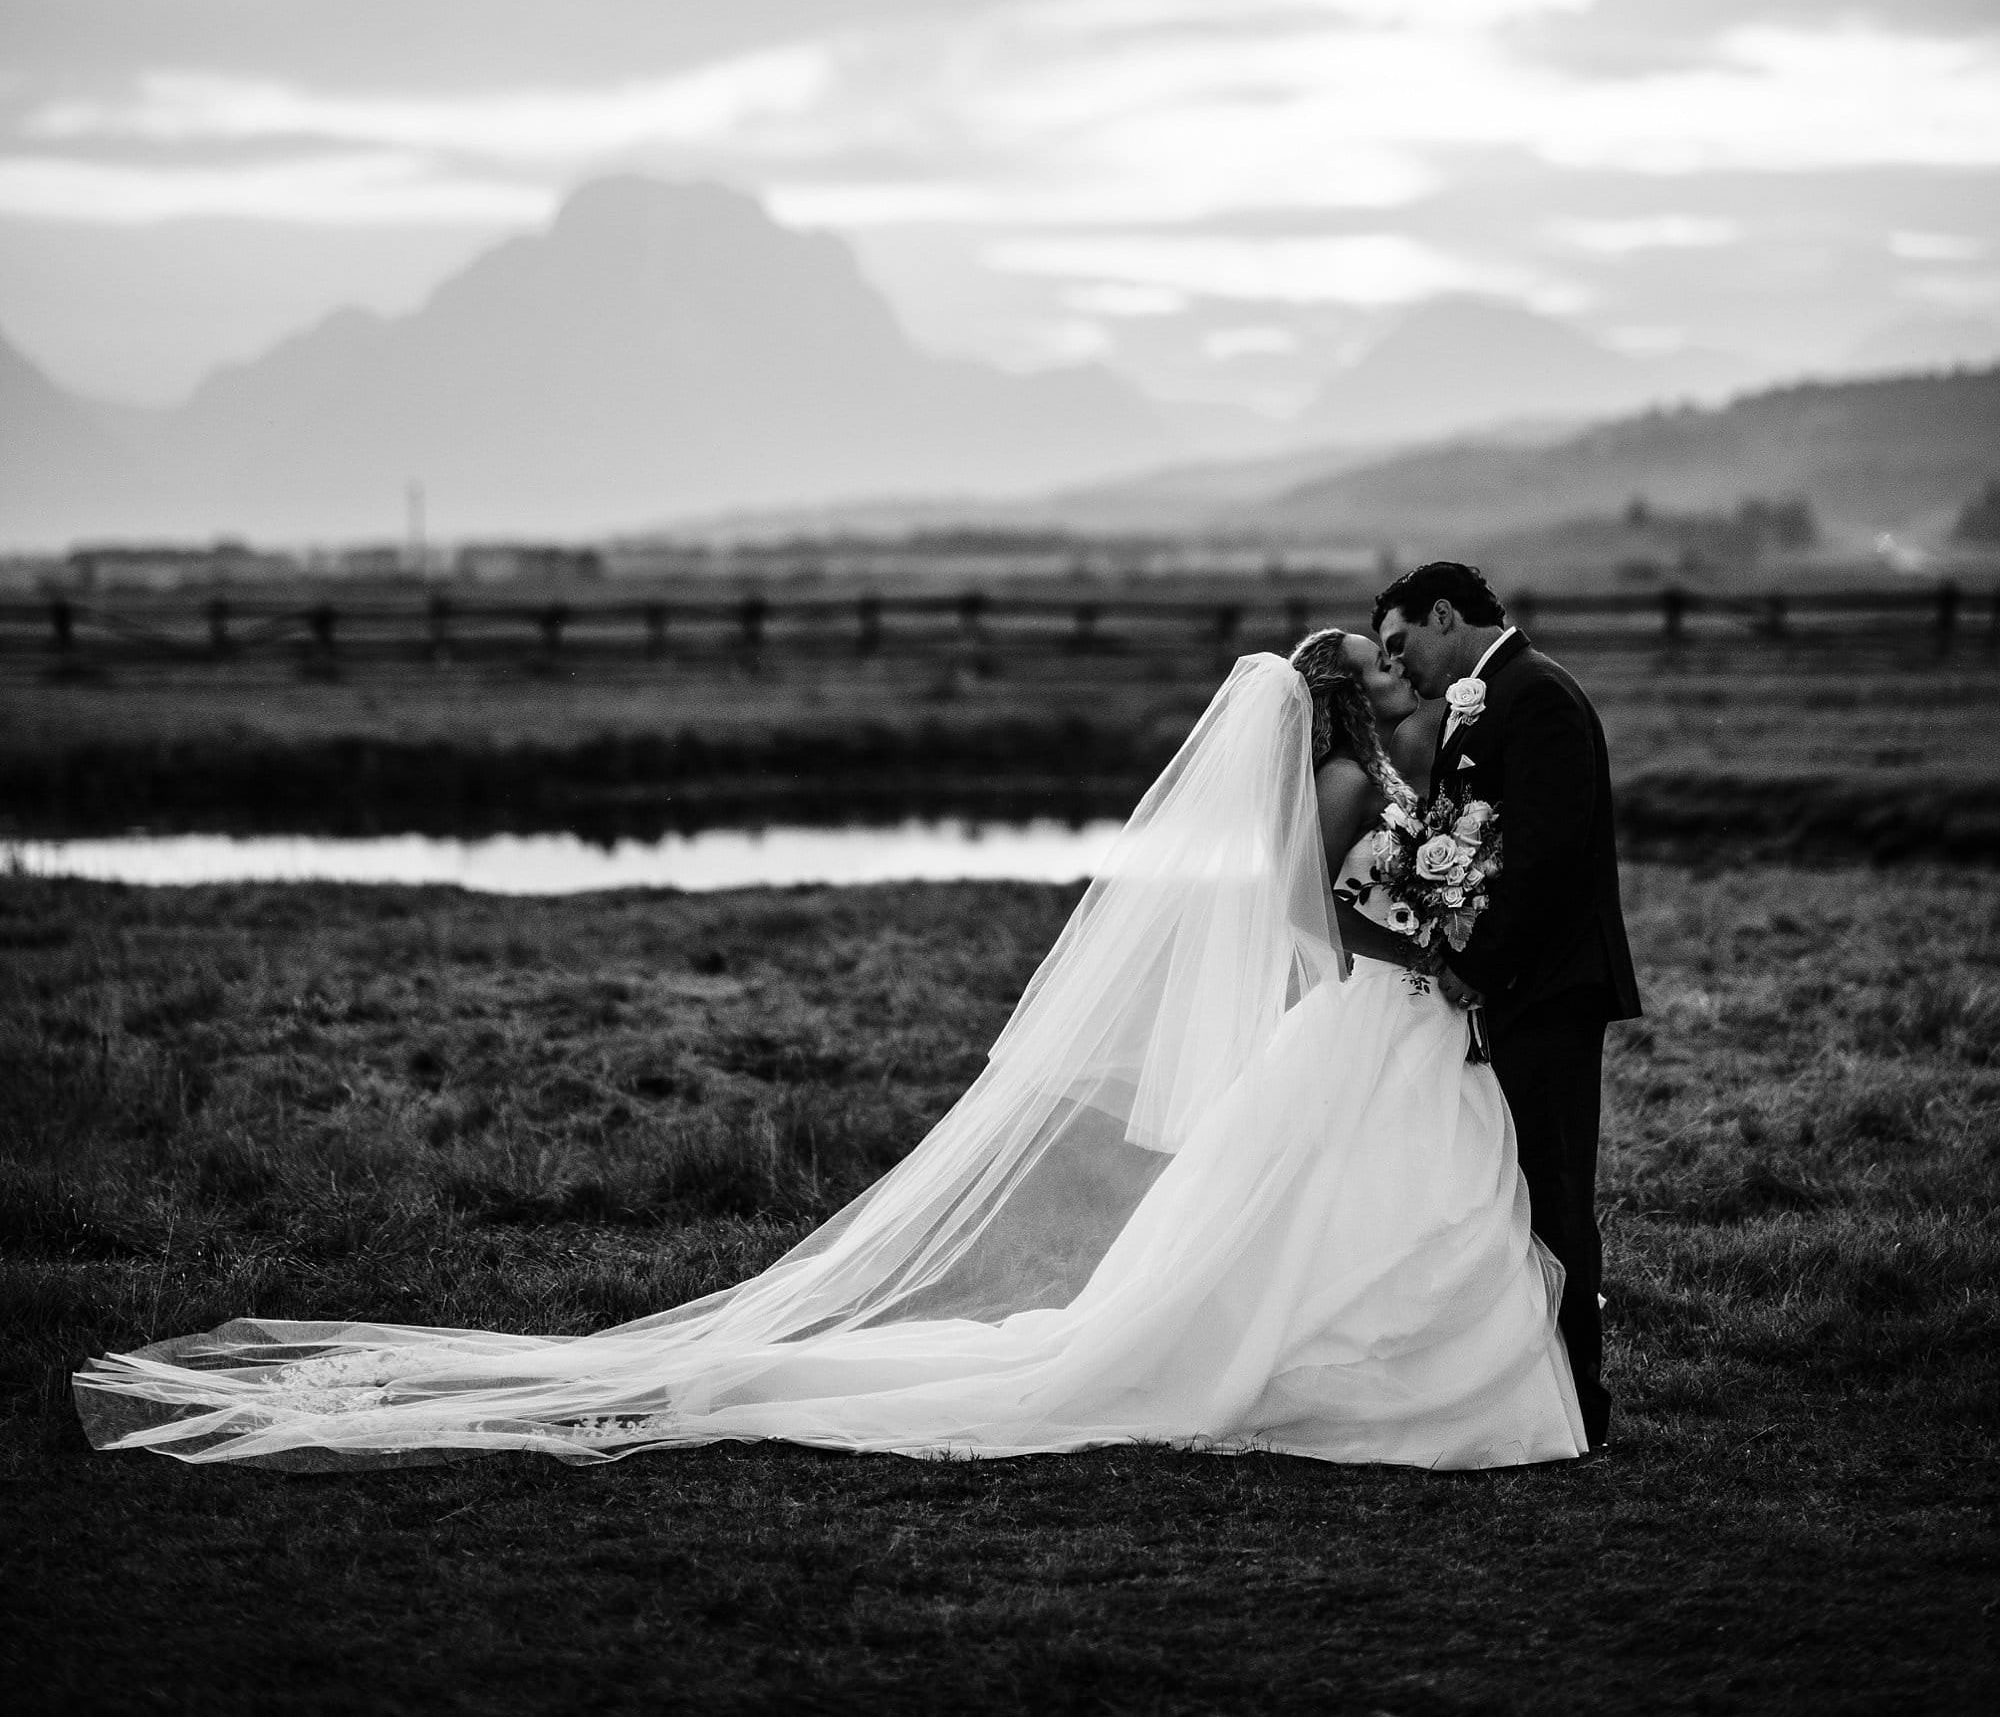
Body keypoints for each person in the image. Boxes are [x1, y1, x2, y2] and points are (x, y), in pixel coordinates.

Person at [74, 647, 1585, 1473]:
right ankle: (1333, 1373)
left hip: (1388, 1020)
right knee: (1307, 1226)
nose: (1399, 679)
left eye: (1406, 667)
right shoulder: (1341, 787)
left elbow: (1366, 893)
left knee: (1314, 1224)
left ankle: (1334, 1360)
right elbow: (1314, 916)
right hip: (1373, 1017)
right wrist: (1424, 929)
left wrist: (1430, 916)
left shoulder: (1380, 779)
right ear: (1337, 709)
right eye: (1380, 675)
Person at [1371, 560, 1642, 1451]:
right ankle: (1533, 1385)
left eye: (1401, 642)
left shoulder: (1539, 696)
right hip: (1520, 986)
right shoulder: (1489, 699)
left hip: (1550, 989)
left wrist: (1477, 962)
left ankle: (1579, 1403)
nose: (1399, 664)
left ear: (1446, 614)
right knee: (1521, 1187)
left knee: (1557, 1191)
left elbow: (1548, 856)